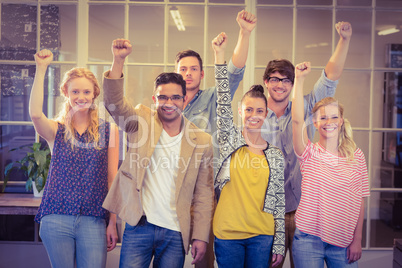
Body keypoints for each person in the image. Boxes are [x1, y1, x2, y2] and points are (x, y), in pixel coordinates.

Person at [101, 39, 214, 268]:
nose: (169, 103)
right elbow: (113, 103)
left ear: (184, 99)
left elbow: (203, 193)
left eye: (175, 97)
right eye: (163, 97)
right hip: (138, 225)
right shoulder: (140, 121)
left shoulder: (202, 140)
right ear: (155, 99)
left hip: (175, 232)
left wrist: (200, 235)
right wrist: (118, 60)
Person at [261, 21, 353, 268]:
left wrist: (344, 40)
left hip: (305, 210)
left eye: (286, 80)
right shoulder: (255, 114)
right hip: (267, 211)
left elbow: (330, 76)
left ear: (292, 84)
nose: (280, 84)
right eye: (274, 79)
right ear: (266, 82)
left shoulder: (307, 105)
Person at [30, 49, 119, 268]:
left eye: (86, 92)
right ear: (66, 94)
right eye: (75, 91)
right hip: (56, 217)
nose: (81, 97)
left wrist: (113, 222)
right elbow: (34, 114)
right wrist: (41, 69)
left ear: (94, 94)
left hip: (94, 218)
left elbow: (112, 178)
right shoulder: (56, 130)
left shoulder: (110, 131)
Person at [212, 32, 285, 268]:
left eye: (259, 111)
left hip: (262, 236)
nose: (254, 115)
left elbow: (279, 202)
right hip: (227, 234)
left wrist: (279, 244)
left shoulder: (274, 155)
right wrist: (219, 55)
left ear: (266, 114)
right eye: (249, 110)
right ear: (241, 112)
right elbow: (223, 98)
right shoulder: (229, 139)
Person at [291, 61, 369, 267]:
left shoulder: (357, 156)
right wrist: (299, 81)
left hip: (344, 242)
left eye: (334, 116)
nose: (329, 121)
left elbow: (360, 199)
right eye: (322, 118)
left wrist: (357, 239)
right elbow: (297, 121)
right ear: (315, 123)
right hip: (308, 240)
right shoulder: (308, 153)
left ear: (342, 120)